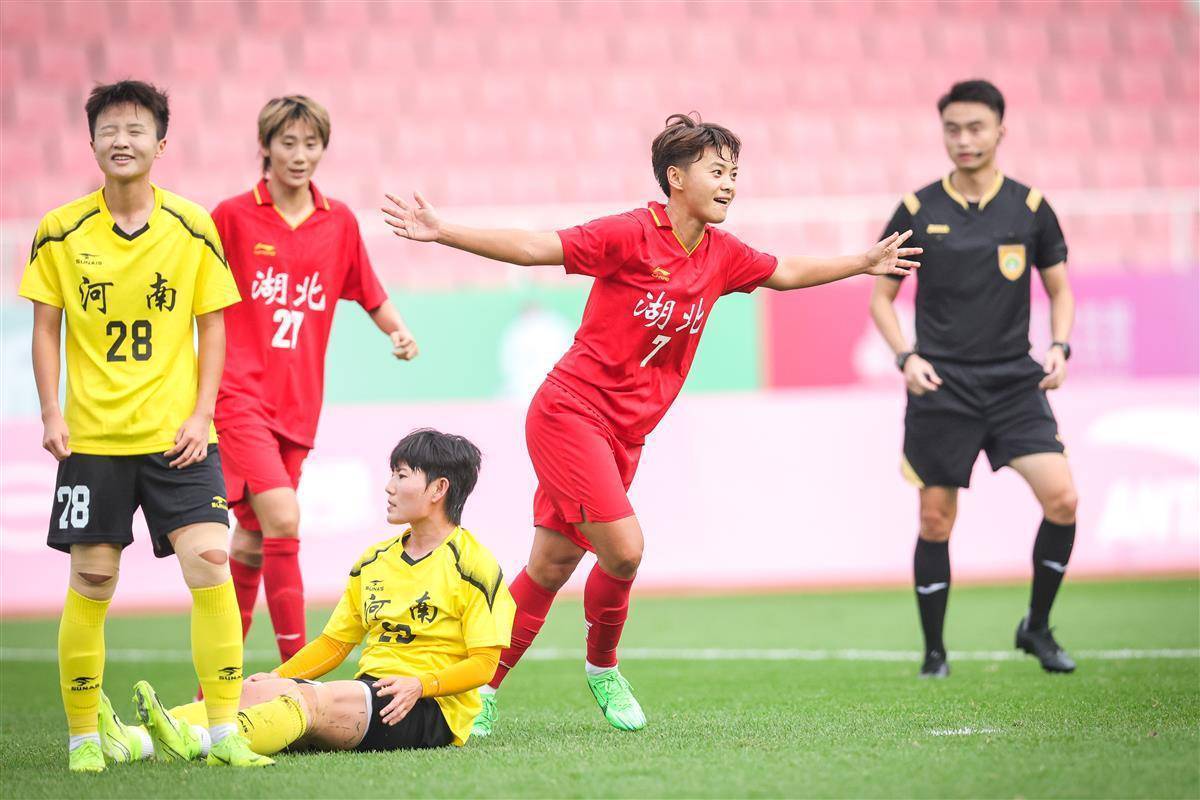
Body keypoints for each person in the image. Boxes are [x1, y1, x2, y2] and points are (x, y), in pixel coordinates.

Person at [382, 113, 921, 734]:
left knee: (551, 565)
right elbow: (534, 248)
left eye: (734, 172)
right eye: (717, 171)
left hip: (625, 435)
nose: (729, 183)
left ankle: (479, 689)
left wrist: (863, 261)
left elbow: (787, 273)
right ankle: (603, 668)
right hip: (569, 412)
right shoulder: (629, 234)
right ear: (676, 177)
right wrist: (443, 231)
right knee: (626, 551)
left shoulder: (722, 254)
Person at [17, 80, 260, 770]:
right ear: (91, 143)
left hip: (179, 438)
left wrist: (203, 413)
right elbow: (45, 328)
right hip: (93, 440)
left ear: (160, 143)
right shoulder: (59, 230)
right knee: (93, 580)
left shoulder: (192, 226)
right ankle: (83, 739)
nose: (121, 141)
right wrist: (51, 409)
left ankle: (224, 732)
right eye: (109, 130)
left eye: (136, 130)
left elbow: (212, 328)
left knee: (211, 561)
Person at [97, 429, 515, 759]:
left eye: (402, 476)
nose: (388, 486)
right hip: (371, 694)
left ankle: (196, 743)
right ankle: (133, 740)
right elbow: (334, 644)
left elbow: (484, 664)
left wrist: (420, 685)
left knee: (310, 700)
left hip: (429, 708)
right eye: (391, 474)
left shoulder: (474, 565)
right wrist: (277, 676)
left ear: (439, 489)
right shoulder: (374, 561)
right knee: (253, 691)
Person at [868, 79, 1078, 678]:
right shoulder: (917, 210)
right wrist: (906, 358)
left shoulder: (1031, 208)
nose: (964, 139)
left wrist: (1059, 346)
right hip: (943, 386)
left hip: (1015, 383)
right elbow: (882, 300)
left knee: (1063, 500)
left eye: (976, 127)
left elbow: (1061, 291)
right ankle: (935, 652)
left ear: (1000, 131)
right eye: (953, 129)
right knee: (935, 519)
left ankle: (1036, 627)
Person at [212, 95, 419, 665]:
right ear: (265, 147)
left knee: (252, 539)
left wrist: (398, 330)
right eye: (288, 143)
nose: (300, 155)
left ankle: (215, 687)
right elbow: (193, 295)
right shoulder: (231, 217)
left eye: (311, 143)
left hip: (299, 405)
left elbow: (369, 291)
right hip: (238, 395)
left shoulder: (339, 221)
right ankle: (297, 673)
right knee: (283, 518)